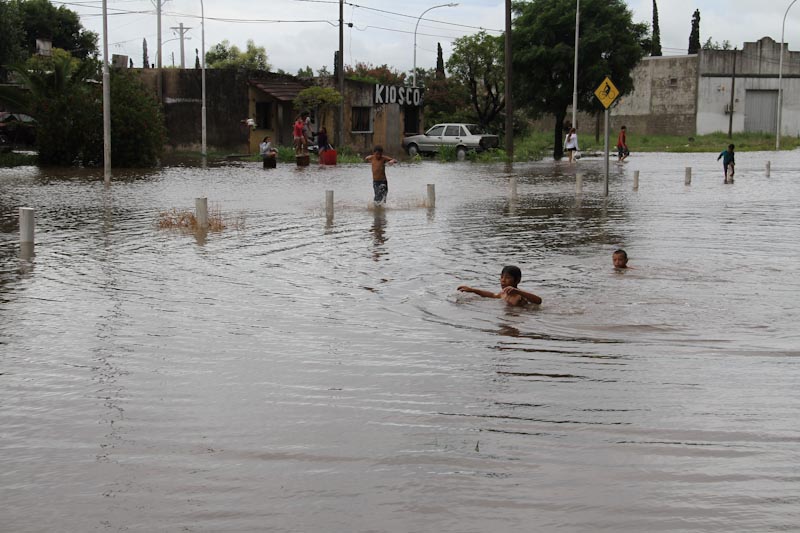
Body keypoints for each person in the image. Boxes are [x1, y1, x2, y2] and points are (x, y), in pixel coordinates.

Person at [457, 265, 542, 306]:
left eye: (507, 278)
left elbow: (538, 301)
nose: (503, 280)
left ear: (517, 280)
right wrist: (472, 290)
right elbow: (491, 295)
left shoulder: (520, 296)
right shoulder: (503, 294)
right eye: (501, 277)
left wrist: (517, 291)